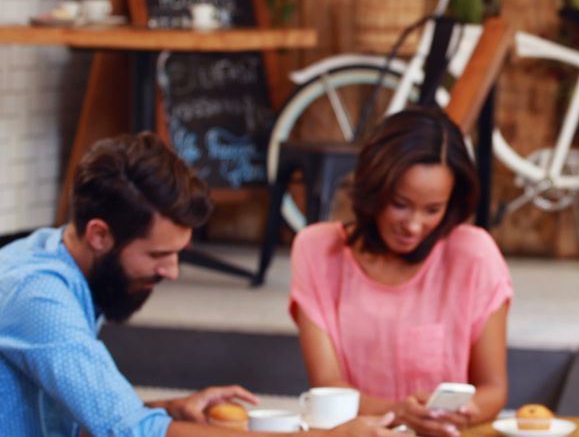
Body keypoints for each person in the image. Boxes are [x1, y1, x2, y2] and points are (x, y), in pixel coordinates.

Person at [0, 133, 392, 437]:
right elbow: (127, 432)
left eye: (177, 254)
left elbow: (89, 418)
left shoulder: (59, 256)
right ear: (99, 235)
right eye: (157, 255)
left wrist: (169, 409)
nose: (172, 271)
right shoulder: (38, 295)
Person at [290, 107, 512, 437]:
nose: (413, 225)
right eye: (400, 203)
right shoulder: (317, 250)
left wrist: (459, 413)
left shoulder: (474, 254)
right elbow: (327, 386)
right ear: (374, 189)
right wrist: (399, 412)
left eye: (433, 209)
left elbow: (492, 388)